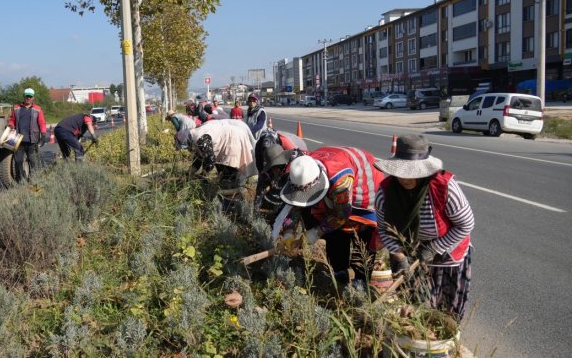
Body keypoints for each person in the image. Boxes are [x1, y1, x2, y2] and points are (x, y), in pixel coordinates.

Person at [374, 134, 474, 322]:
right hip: (408, 252)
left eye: (412, 172)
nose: (405, 178)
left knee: (446, 309)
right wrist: (400, 255)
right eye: (402, 172)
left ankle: (445, 345)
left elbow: (466, 224)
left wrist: (434, 248)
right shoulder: (386, 192)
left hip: (447, 253)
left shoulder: (444, 187)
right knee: (415, 304)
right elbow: (384, 229)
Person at [273, 146, 384, 285]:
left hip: (364, 188)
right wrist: (289, 231)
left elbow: (341, 215)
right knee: (335, 233)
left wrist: (317, 232)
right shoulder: (299, 172)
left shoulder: (340, 182)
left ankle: (360, 280)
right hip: (337, 179)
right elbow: (296, 205)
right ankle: (340, 272)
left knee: (362, 235)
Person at [177, 120, 258, 203]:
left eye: (186, 147)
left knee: (231, 172)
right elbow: (198, 159)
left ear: (187, 142)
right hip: (227, 137)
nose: (187, 150)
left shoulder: (200, 139)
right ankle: (229, 194)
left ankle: (236, 199)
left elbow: (210, 161)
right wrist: (188, 174)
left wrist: (203, 174)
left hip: (232, 139)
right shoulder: (194, 136)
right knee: (223, 172)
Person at [7, 87, 46, 182]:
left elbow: (42, 123)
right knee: (18, 161)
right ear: (23, 96)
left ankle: (34, 180)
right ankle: (21, 179)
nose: (28, 98)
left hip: (32, 140)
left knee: (33, 161)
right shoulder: (16, 108)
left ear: (33, 98)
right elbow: (12, 120)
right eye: (26, 96)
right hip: (18, 139)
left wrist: (43, 135)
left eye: (30, 96)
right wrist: (10, 125)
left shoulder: (38, 109)